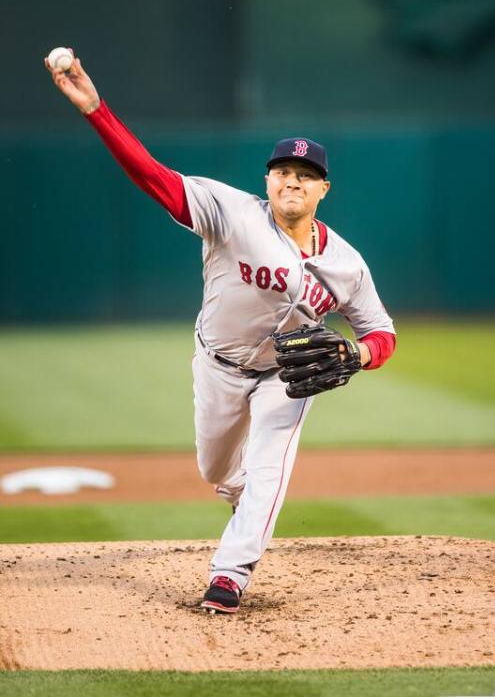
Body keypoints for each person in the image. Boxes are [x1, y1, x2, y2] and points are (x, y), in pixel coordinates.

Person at [45, 53, 396, 614]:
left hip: (287, 377)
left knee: (270, 467)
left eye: (305, 177)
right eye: (283, 172)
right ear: (268, 179)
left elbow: (381, 332)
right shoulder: (230, 212)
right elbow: (152, 176)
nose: (292, 182)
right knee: (216, 469)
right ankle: (242, 500)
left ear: (323, 189)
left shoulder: (348, 264)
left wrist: (359, 353)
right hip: (217, 365)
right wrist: (96, 110)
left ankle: (229, 574)